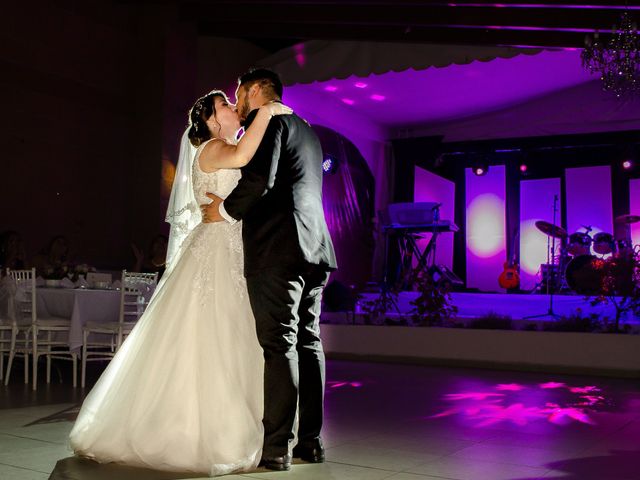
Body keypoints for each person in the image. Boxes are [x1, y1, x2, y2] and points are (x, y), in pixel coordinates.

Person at [68, 90, 292, 476]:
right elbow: (242, 158)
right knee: (210, 333)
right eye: (225, 106)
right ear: (210, 119)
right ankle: (192, 430)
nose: (233, 109)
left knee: (237, 334)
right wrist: (268, 111)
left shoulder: (224, 143)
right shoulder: (213, 148)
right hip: (216, 252)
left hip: (233, 247)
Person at [201, 68, 337, 471]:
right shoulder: (309, 130)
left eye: (238, 93)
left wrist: (222, 210)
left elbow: (260, 180)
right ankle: (310, 442)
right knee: (309, 342)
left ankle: (277, 446)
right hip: (317, 248)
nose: (237, 101)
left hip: (279, 248)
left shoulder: (272, 120)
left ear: (255, 90)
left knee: (279, 344)